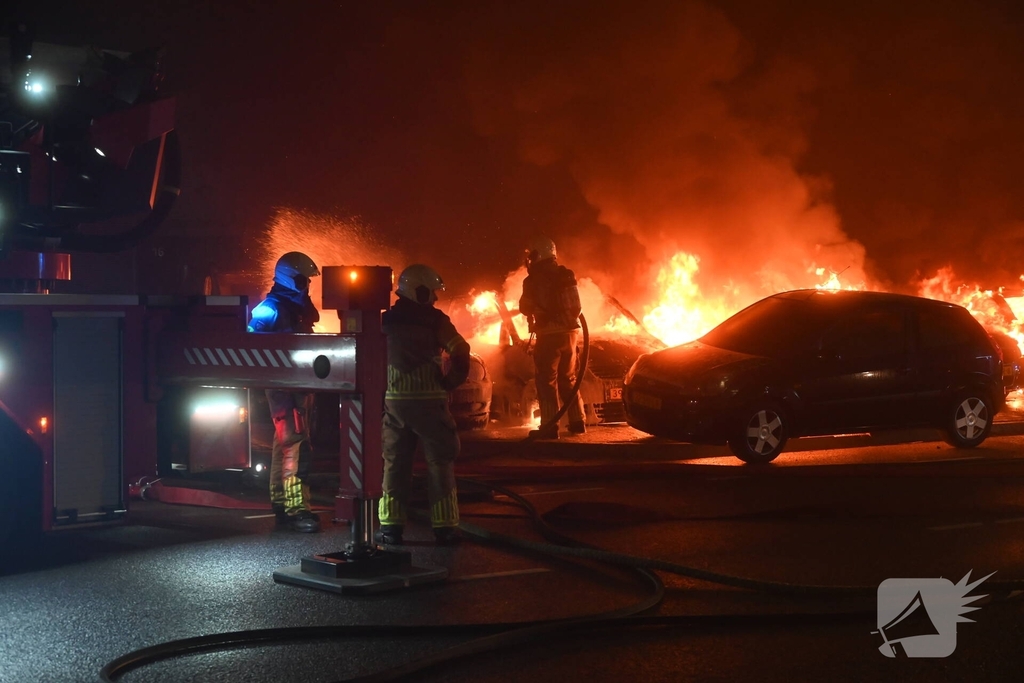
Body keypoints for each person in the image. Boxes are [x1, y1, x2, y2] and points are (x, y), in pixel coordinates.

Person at [376, 264, 470, 545]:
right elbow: (461, 350)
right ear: (419, 291)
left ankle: (391, 527)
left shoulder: (385, 321)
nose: (435, 298)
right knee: (439, 464)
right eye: (431, 292)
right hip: (430, 406)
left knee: (394, 464)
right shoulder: (436, 321)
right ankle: (444, 527)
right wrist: (450, 381)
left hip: (395, 406)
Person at [247, 251, 322, 533]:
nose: (307, 286)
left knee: (285, 445)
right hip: (284, 390)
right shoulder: (270, 308)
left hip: (296, 388)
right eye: (303, 280)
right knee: (297, 446)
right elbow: (250, 337)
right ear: (290, 279)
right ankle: (297, 509)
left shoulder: (293, 307)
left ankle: (280, 503)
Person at [518, 236, 586, 440]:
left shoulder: (532, 280)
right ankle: (578, 421)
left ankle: (549, 425)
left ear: (539, 255)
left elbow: (525, 307)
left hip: (548, 336)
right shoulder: (566, 275)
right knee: (569, 378)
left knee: (546, 381)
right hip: (571, 335)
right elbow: (576, 307)